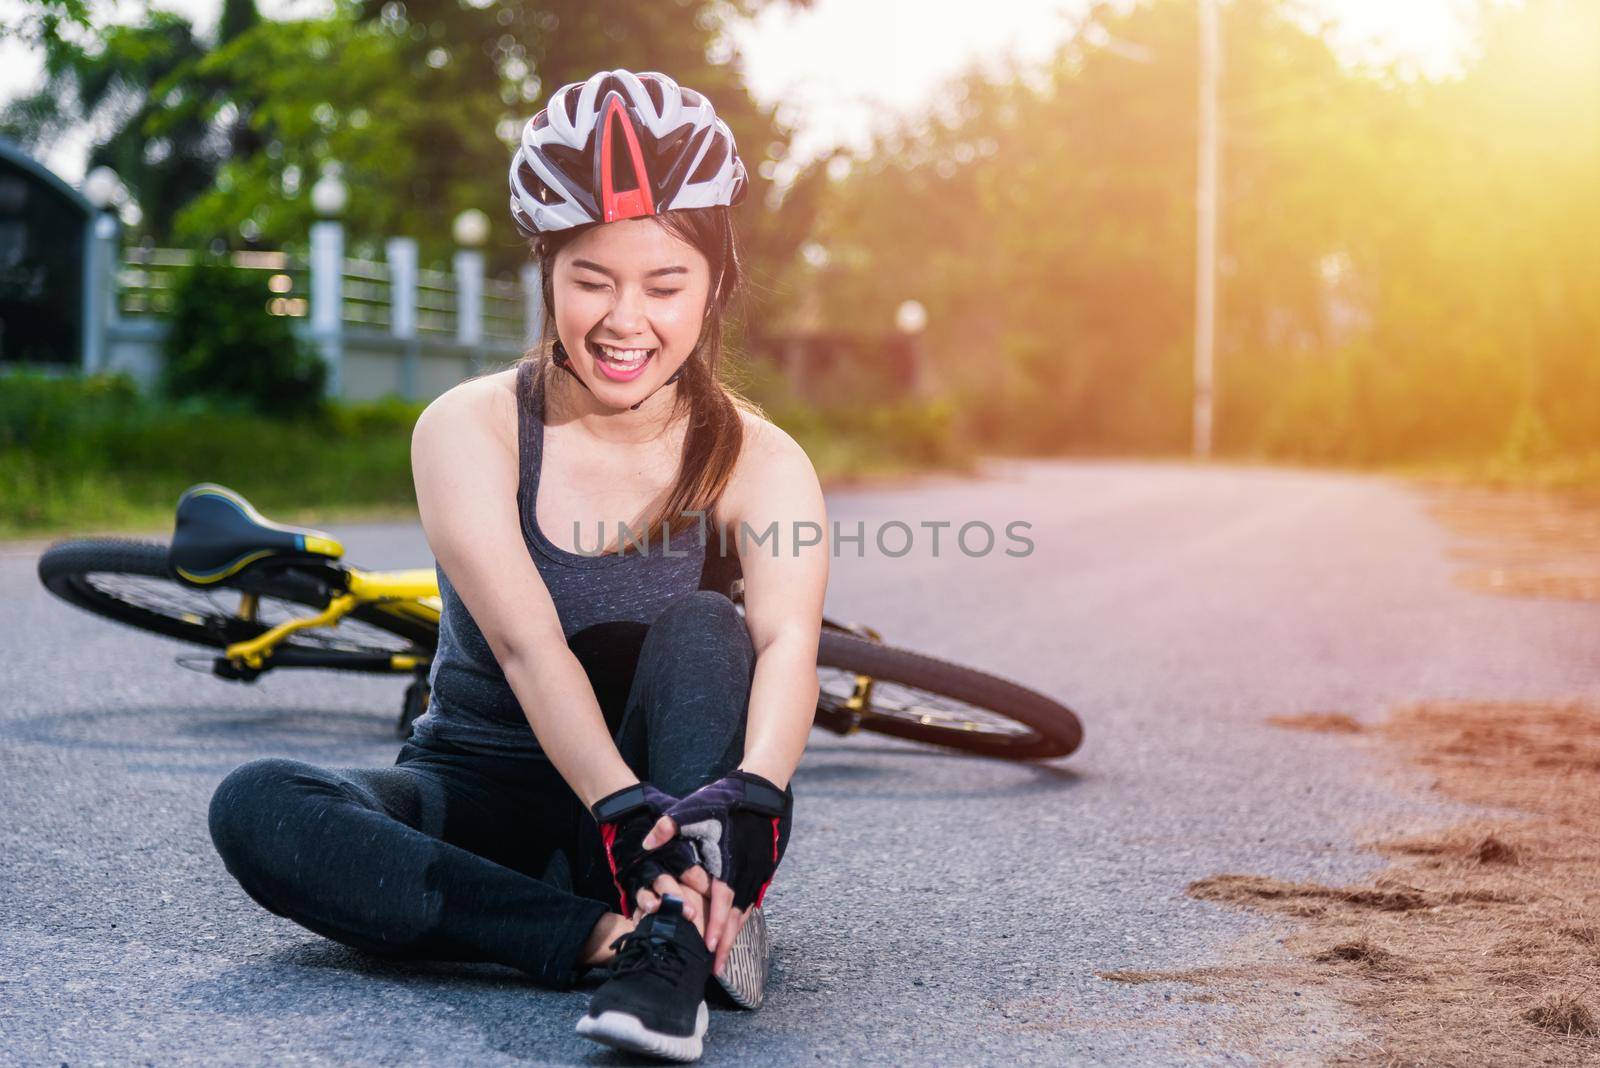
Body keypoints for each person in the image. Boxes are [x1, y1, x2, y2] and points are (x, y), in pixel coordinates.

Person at [205, 68, 829, 1063]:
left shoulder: (763, 459)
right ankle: (614, 941)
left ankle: (674, 921)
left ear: (716, 284)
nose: (627, 320)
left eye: (665, 285)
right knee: (257, 805)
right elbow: (529, 644)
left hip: (658, 810)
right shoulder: (471, 427)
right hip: (482, 793)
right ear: (545, 276)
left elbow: (791, 642)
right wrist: (610, 813)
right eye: (592, 280)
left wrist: (755, 790)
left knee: (708, 629)